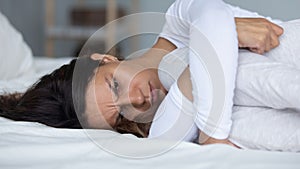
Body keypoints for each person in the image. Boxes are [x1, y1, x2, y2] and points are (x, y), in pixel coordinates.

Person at [0, 0, 285, 145]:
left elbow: (209, 16)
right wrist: (222, 35)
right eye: (121, 117)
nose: (136, 101)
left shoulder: (179, 20)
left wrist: (213, 137)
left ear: (106, 57)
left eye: (114, 85)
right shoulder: (165, 124)